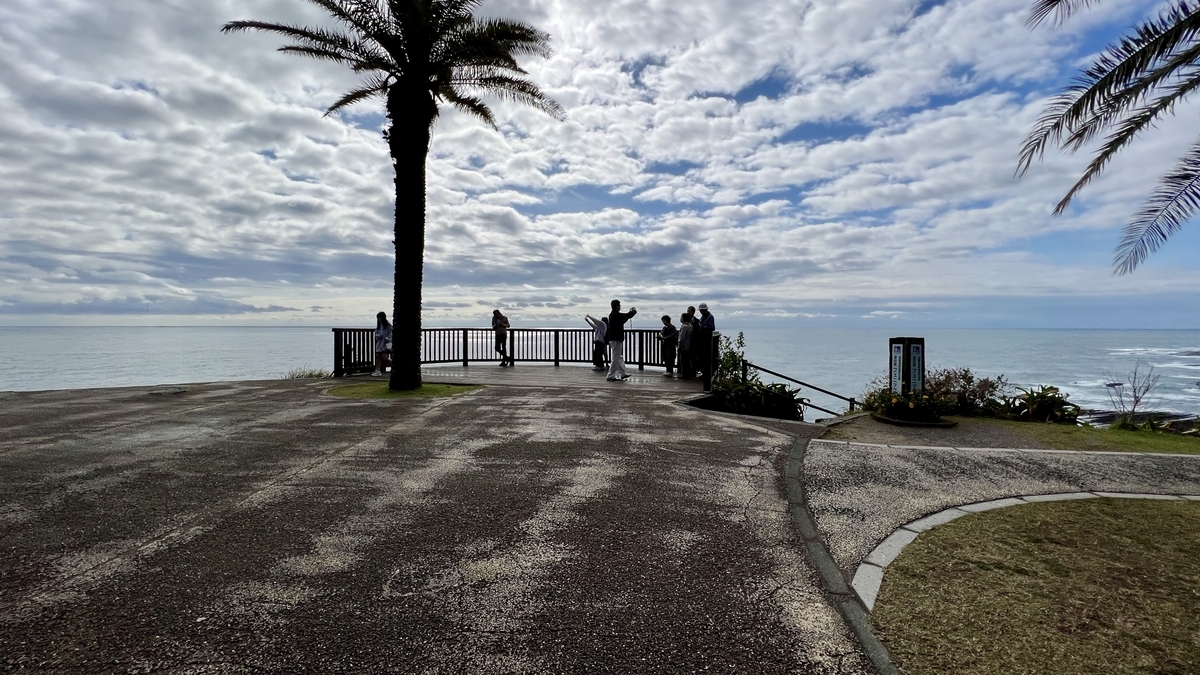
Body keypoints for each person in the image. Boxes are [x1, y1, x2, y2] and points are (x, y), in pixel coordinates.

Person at [606, 299, 637, 381]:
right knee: (616, 358)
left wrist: (630, 313)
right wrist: (633, 311)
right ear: (616, 306)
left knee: (618, 357)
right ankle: (610, 375)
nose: (620, 307)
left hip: (614, 339)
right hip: (615, 339)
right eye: (619, 305)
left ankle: (622, 373)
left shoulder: (613, 315)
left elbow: (624, 318)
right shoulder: (615, 315)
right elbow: (626, 316)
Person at [695, 302, 716, 380]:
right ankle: (703, 373)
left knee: (706, 358)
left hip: (707, 340)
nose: (701, 312)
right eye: (700, 311)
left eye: (702, 310)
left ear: (705, 310)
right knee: (701, 358)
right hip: (702, 339)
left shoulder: (710, 317)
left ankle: (706, 374)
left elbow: (712, 327)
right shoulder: (702, 317)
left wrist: (702, 327)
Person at [372, 311, 391, 377]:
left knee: (384, 358)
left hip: (385, 344)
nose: (379, 319)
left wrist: (386, 339)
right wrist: (378, 336)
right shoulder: (379, 326)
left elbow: (391, 335)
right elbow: (376, 333)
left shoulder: (388, 326)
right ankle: (377, 370)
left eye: (380, 318)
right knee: (377, 356)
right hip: (379, 344)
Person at [677, 313, 693, 380]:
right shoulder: (690, 325)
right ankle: (687, 374)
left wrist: (680, 346)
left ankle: (685, 374)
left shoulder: (684, 327)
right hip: (688, 346)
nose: (680, 318)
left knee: (684, 361)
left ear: (683, 318)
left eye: (681, 317)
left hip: (684, 346)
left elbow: (682, 338)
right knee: (687, 360)